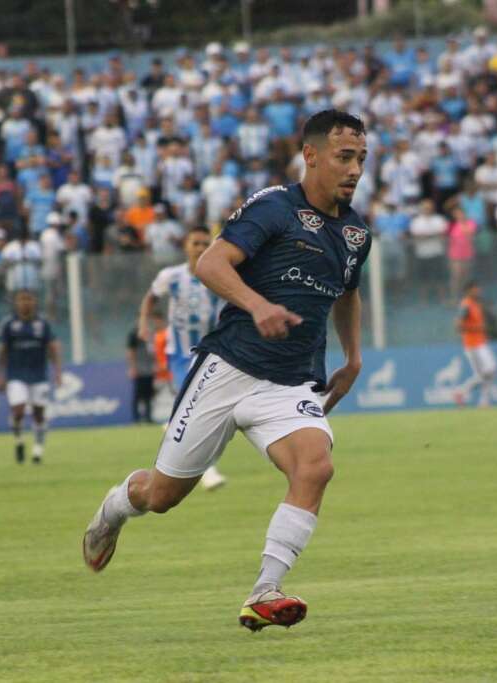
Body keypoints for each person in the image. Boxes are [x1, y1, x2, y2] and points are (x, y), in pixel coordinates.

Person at [81, 110, 371, 632]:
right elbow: (211, 264)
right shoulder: (274, 207)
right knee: (162, 496)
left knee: (316, 467)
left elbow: (348, 293)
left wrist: (352, 357)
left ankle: (265, 591)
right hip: (229, 367)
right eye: (344, 157)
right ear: (310, 156)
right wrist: (258, 305)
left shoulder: (354, 234)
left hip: (290, 381)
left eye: (361, 160)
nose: (354, 170)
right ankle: (115, 508)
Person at [138, 226, 226, 491]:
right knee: (195, 407)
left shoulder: (216, 275)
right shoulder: (171, 276)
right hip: (179, 354)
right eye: (195, 243)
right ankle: (207, 471)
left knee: (205, 409)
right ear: (186, 246)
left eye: (204, 243)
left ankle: (174, 431)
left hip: (210, 351)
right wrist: (143, 323)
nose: (200, 248)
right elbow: (150, 298)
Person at [0, 289, 62, 465]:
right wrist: (0, 376)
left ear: (35, 302)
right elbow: (1, 352)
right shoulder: (9, 324)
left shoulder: (43, 324)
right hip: (16, 375)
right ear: (16, 303)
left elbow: (53, 349)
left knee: (39, 415)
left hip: (39, 376)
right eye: (22, 299)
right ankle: (19, 441)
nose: (25, 303)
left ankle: (37, 451)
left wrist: (58, 373)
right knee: (18, 411)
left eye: (29, 299)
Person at [454, 281, 497, 407]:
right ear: (468, 291)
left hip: (480, 343)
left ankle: (482, 400)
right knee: (486, 372)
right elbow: (458, 326)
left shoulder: (476, 305)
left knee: (490, 371)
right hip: (472, 345)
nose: (478, 292)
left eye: (478, 289)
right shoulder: (466, 305)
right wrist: (477, 328)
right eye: (475, 289)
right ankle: (462, 392)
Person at [126, 311, 159, 424]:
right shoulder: (134, 334)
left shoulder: (150, 334)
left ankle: (148, 417)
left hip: (149, 369)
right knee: (138, 395)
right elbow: (131, 352)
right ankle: (136, 419)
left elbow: (153, 351)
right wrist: (133, 367)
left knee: (149, 394)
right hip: (139, 368)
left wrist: (155, 364)